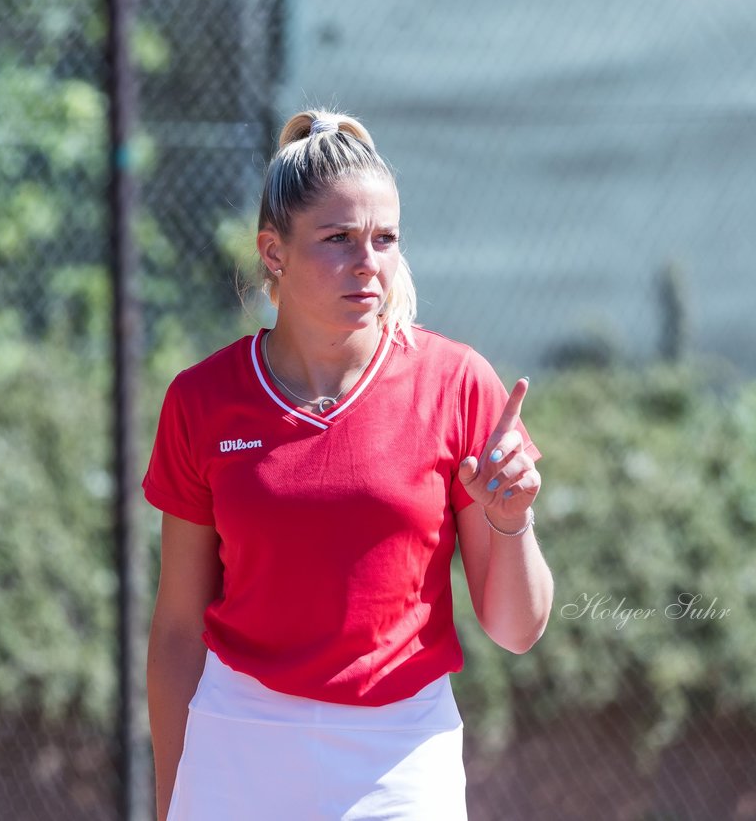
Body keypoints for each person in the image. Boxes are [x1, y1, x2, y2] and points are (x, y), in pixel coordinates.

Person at [143, 109, 554, 820]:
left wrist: (511, 523)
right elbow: (179, 630)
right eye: (338, 239)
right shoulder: (200, 400)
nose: (368, 262)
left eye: (385, 239)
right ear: (274, 253)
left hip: (401, 755)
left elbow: (518, 629)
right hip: (237, 748)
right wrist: (170, 800)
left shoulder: (459, 385)